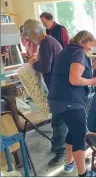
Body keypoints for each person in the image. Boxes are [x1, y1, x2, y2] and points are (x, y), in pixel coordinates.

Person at [48, 30, 96, 176]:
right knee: (79, 133)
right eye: (91, 44)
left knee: (72, 130)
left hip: (59, 100)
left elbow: (74, 73)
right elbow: (74, 79)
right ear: (84, 41)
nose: (91, 48)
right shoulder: (78, 53)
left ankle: (69, 162)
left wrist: (92, 67)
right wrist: (92, 81)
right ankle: (83, 173)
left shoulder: (69, 51)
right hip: (69, 101)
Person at [22, 19, 68, 166]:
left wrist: (33, 63)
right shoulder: (50, 41)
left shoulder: (46, 43)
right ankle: (58, 146)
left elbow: (45, 68)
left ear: (34, 32)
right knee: (59, 119)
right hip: (59, 86)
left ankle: (60, 151)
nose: (29, 39)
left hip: (58, 88)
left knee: (59, 121)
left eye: (29, 36)